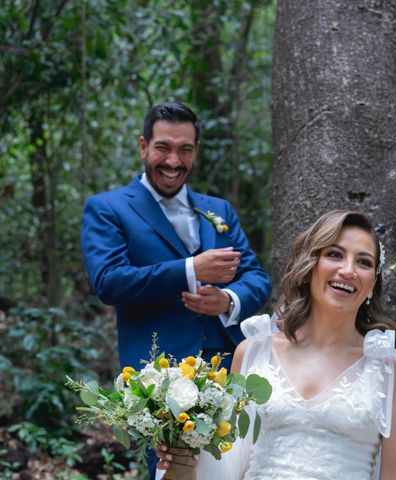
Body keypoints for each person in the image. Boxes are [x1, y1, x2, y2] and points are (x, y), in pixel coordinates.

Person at [81, 102, 271, 476]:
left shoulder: (218, 211)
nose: (174, 160)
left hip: (231, 373)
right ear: (142, 146)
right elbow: (109, 281)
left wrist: (227, 300)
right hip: (159, 380)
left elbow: (257, 277)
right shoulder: (108, 208)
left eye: (185, 149)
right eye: (163, 147)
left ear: (196, 151)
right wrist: (189, 269)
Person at [156, 210, 396, 479]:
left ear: (373, 281)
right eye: (335, 255)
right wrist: (182, 455)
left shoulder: (392, 368)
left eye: (363, 262)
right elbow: (226, 460)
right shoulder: (254, 352)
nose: (348, 270)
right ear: (309, 266)